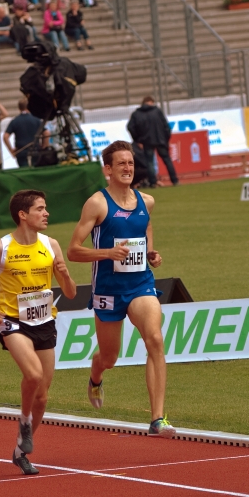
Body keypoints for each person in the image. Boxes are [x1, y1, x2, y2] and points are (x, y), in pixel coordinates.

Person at [66, 140, 176, 438]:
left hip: (141, 284)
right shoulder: (98, 203)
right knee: (110, 357)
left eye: (131, 163)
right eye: (121, 164)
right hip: (108, 290)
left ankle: (157, 419)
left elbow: (145, 229)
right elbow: (73, 251)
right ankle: (96, 374)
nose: (128, 168)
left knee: (154, 338)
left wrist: (152, 253)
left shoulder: (146, 201)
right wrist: (106, 253)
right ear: (108, 170)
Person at [0, 190, 76, 475]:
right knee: (33, 374)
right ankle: (25, 422)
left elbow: (70, 293)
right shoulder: (1, 248)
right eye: (40, 209)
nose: (46, 213)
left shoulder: (51, 245)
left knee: (42, 395)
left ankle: (20, 450)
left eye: (45, 208)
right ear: (23, 215)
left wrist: (65, 274)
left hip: (44, 322)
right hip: (13, 322)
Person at [126, 96, 178, 188]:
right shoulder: (157, 111)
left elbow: (130, 127)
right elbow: (166, 127)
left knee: (149, 162)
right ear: (151, 102)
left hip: (146, 141)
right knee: (167, 160)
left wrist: (138, 140)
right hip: (160, 140)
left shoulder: (137, 114)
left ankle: (153, 182)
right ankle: (175, 180)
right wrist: (166, 139)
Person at [3, 98, 44, 168]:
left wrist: (11, 150)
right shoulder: (36, 120)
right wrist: (44, 147)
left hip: (21, 153)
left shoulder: (15, 121)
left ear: (19, 108)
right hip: (36, 151)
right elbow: (47, 133)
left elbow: (5, 136)